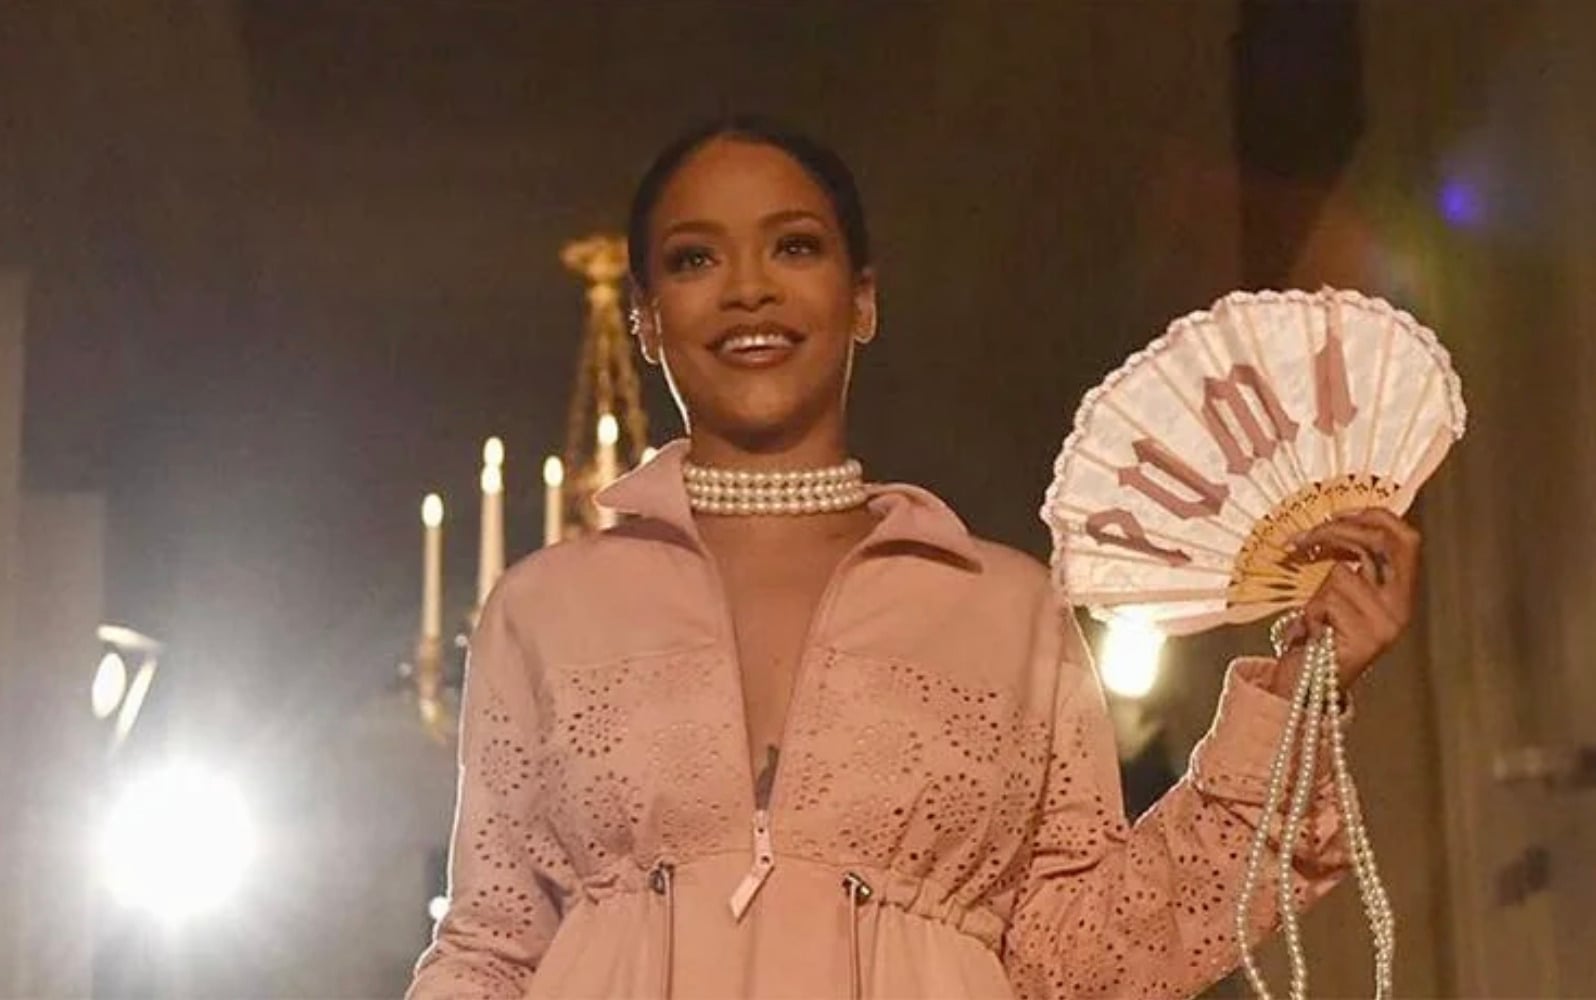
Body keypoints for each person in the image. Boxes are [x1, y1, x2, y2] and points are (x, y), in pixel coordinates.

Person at [407, 116, 1422, 999]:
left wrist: (1298, 697)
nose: (749, 289)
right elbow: (491, 948)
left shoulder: (1004, 607)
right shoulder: (544, 610)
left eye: (794, 246)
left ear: (863, 298)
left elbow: (1082, 957)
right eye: (695, 259)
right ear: (646, 317)